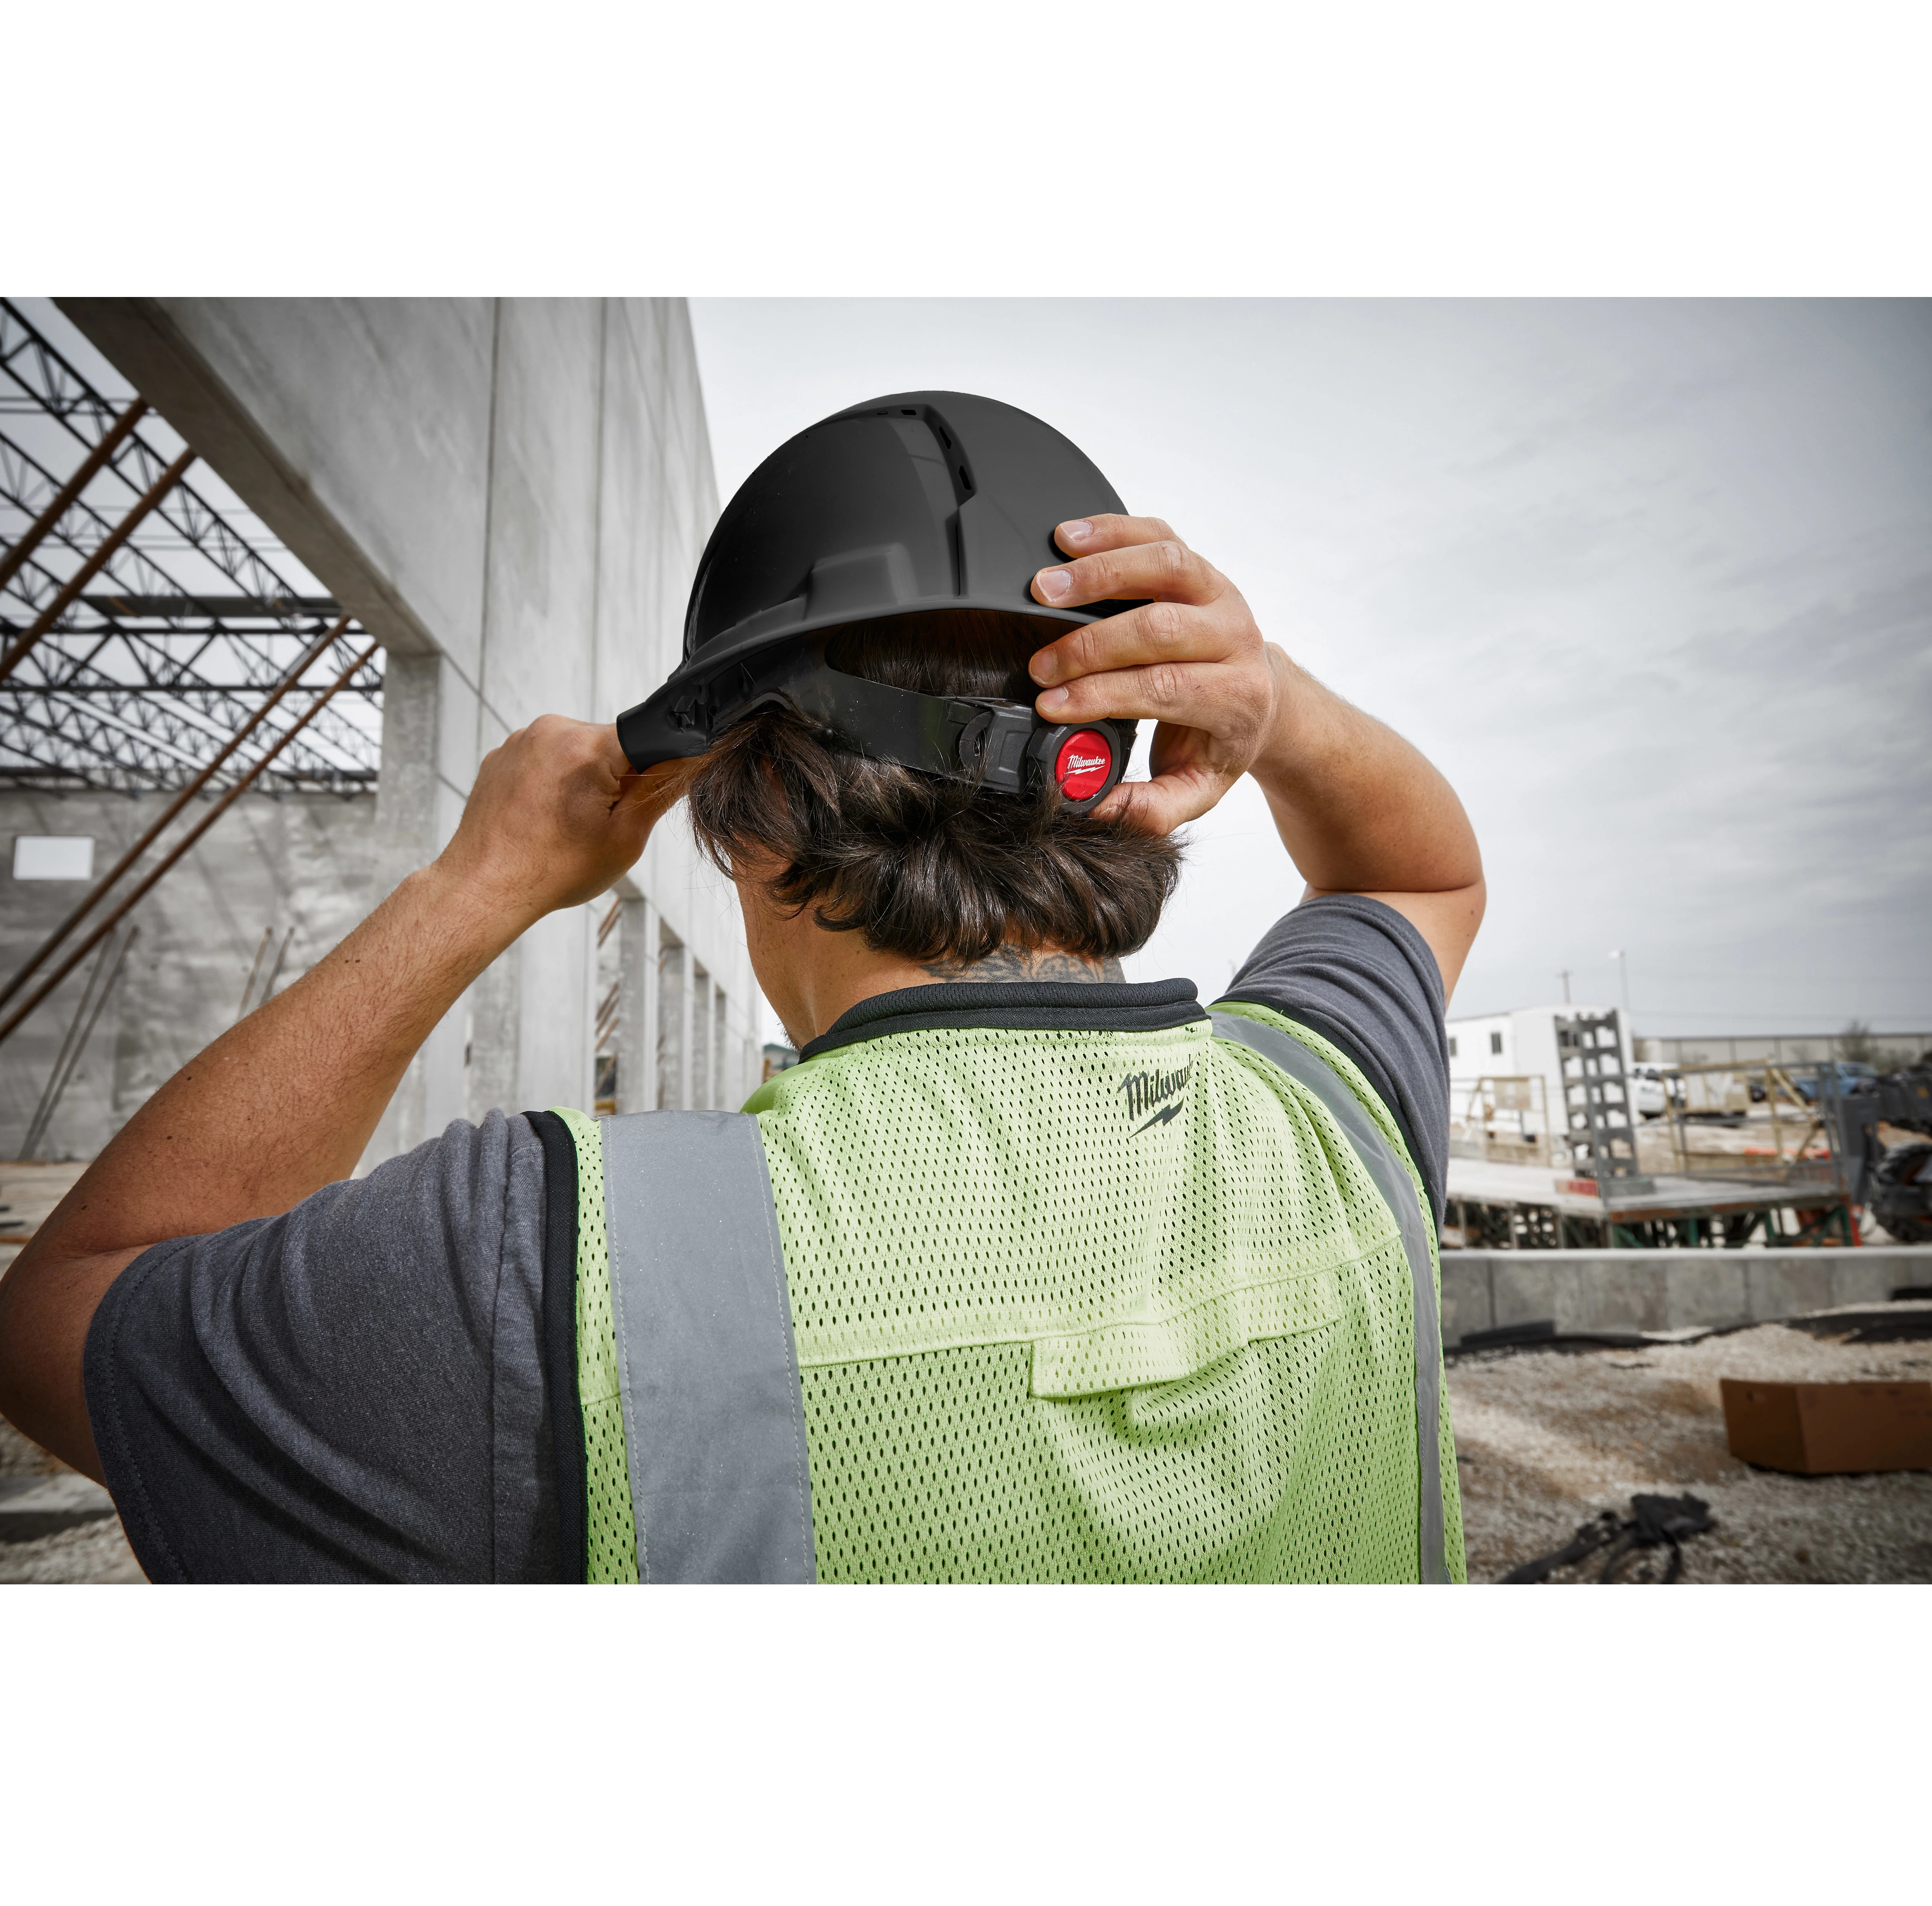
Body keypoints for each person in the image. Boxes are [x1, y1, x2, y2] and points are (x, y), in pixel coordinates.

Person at [0, 395, 1484, 1584]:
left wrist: (478, 885)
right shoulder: (1328, 1112)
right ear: (1116, 753)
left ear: (750, 808)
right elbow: (1416, 875)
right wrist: (1272, 702)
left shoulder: (539, 1267)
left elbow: (60, 1319)